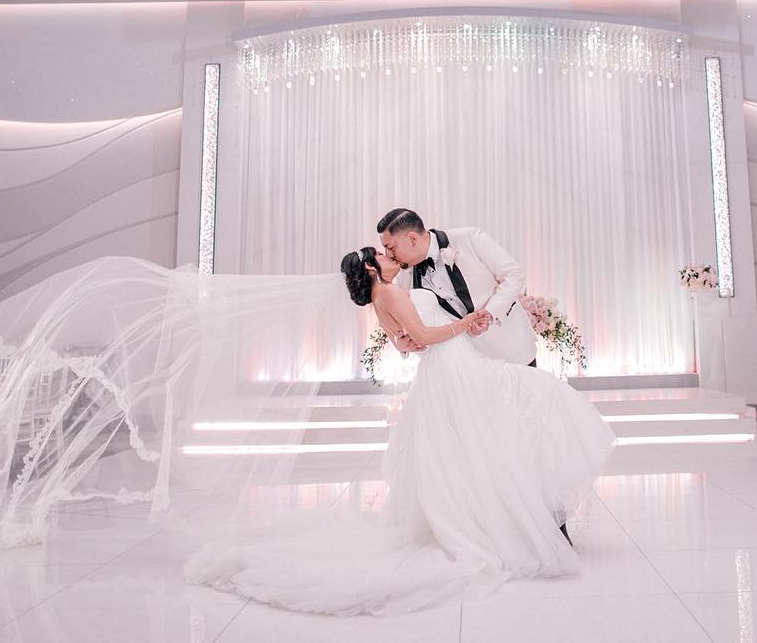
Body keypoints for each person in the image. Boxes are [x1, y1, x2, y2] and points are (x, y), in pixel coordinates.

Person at [183, 246, 614, 615]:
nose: (390, 256)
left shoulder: (379, 298)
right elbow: (424, 335)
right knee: (528, 401)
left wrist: (419, 339)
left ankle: (502, 512)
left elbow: (404, 343)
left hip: (443, 370)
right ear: (372, 269)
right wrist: (469, 322)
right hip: (453, 366)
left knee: (476, 442)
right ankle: (505, 518)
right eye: (383, 255)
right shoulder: (389, 289)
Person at [376, 207, 539, 366]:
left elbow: (514, 274)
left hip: (513, 350)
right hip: (468, 364)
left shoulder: (470, 237)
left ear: (412, 238)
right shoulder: (404, 275)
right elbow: (409, 324)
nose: (388, 255)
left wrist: (490, 313)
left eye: (391, 248)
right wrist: (402, 345)